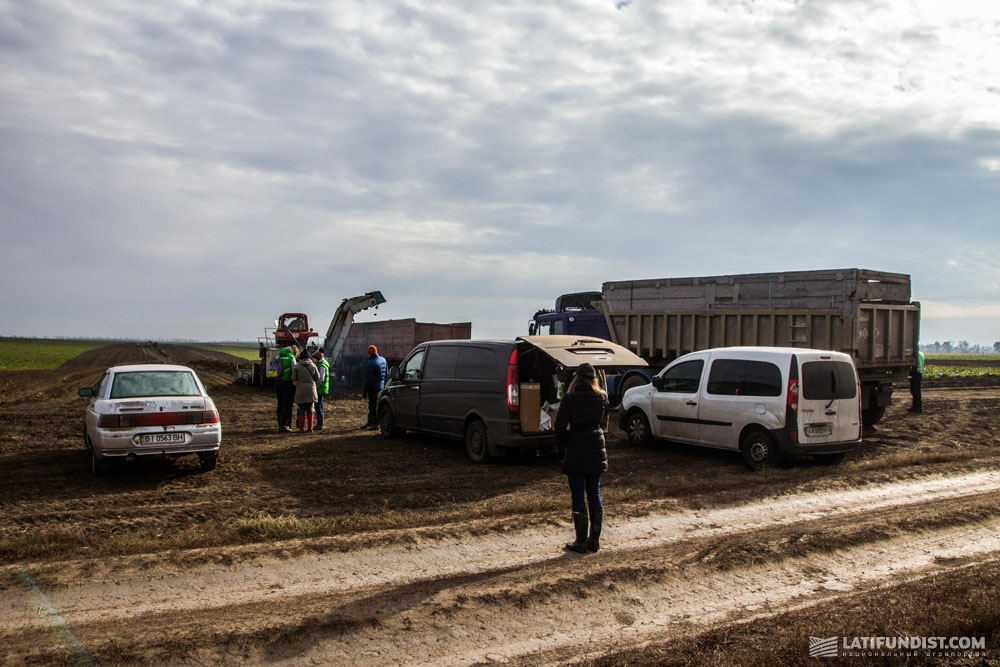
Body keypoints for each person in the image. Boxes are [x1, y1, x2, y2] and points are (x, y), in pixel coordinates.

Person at [554, 362, 609, 554]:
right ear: (594, 378)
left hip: (576, 450)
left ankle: (581, 541)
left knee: (578, 494)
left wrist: (564, 446)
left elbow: (559, 427)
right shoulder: (602, 398)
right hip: (596, 448)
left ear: (576, 378)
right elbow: (603, 422)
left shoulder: (570, 398)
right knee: (594, 493)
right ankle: (595, 541)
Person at [292, 348, 320, 432]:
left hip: (300, 389)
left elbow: (293, 378)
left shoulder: (297, 366)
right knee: (310, 409)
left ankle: (301, 428)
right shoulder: (313, 365)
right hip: (311, 389)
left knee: (301, 409)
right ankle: (310, 427)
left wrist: (297, 383)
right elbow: (317, 377)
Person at [275, 345, 299, 433]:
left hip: (278, 382)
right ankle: (287, 424)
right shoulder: (291, 357)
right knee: (288, 404)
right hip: (288, 383)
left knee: (280, 403)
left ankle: (280, 425)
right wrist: (294, 381)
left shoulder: (279, 357)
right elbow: (294, 370)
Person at [363, 344, 387, 430]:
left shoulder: (371, 362)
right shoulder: (383, 360)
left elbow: (369, 378)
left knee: (372, 405)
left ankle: (373, 424)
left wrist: (365, 389)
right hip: (381, 386)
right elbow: (386, 374)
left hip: (373, 387)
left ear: (370, 353)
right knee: (378, 404)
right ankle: (373, 423)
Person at [313, 349, 330, 430]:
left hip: (320, 388)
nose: (313, 360)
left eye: (314, 358)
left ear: (317, 358)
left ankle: (319, 424)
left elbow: (321, 379)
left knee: (318, 406)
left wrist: (315, 387)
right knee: (320, 406)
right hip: (321, 388)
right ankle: (320, 423)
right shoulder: (322, 364)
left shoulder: (322, 365)